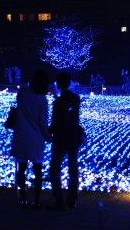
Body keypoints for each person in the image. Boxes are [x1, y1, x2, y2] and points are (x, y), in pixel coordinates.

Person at [10, 69, 52, 209]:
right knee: (37, 170)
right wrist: (48, 136)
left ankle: (23, 198)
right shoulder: (42, 100)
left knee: (21, 169)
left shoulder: (22, 93)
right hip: (35, 138)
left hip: (20, 135)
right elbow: (43, 122)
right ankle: (36, 200)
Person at [49, 72, 83, 211]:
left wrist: (47, 132)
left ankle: (59, 201)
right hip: (73, 137)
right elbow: (73, 117)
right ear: (69, 83)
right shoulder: (75, 99)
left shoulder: (58, 102)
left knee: (54, 170)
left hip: (61, 138)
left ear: (58, 84)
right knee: (73, 169)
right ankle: (72, 200)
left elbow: (56, 122)